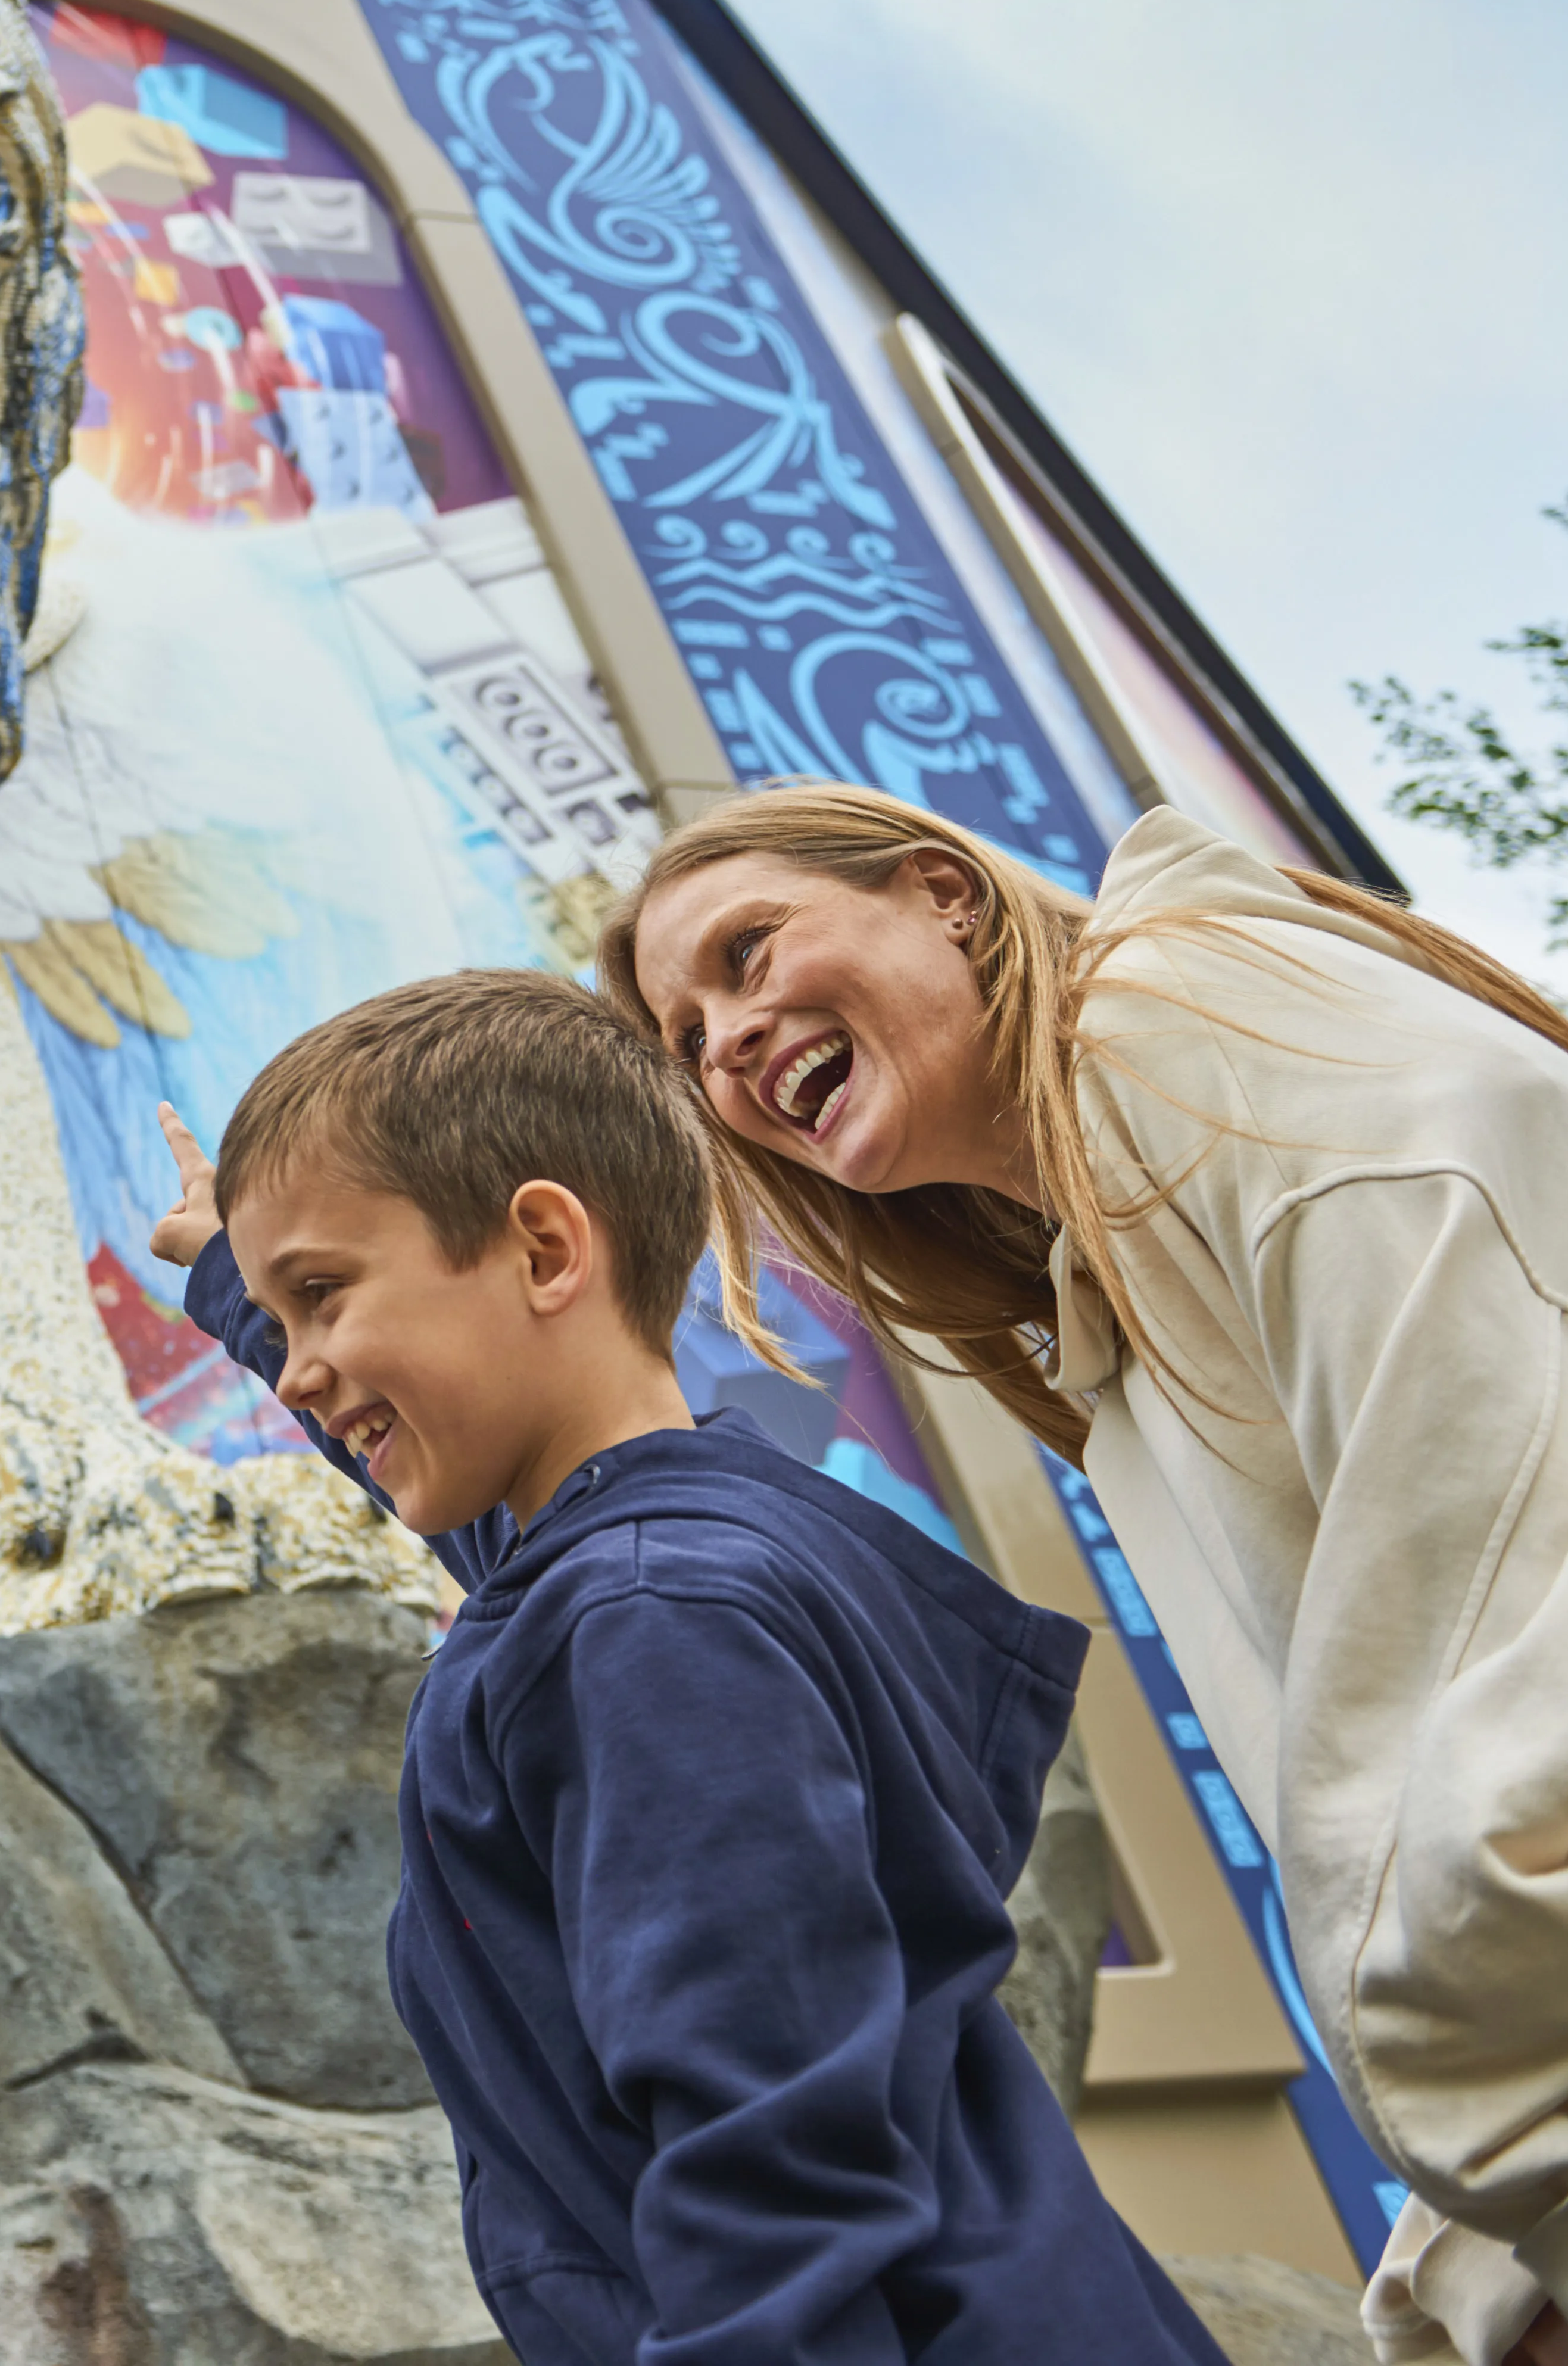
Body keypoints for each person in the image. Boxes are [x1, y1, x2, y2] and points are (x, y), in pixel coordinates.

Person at [607, 788, 1568, 2366]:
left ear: (946, 894)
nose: (725, 1038)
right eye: (686, 1037)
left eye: (747, 953)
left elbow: (1543, 1591)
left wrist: (1514, 2184)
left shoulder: (1185, 1026)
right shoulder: (1122, 1338)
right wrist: (1488, 2256)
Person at [149, 967, 1222, 2364]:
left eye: (323, 1294)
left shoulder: (652, 1621)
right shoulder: (662, 1561)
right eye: (282, 1325)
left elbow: (766, 2153)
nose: (293, 1371)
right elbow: (503, 1524)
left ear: (544, 1249)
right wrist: (240, 1285)